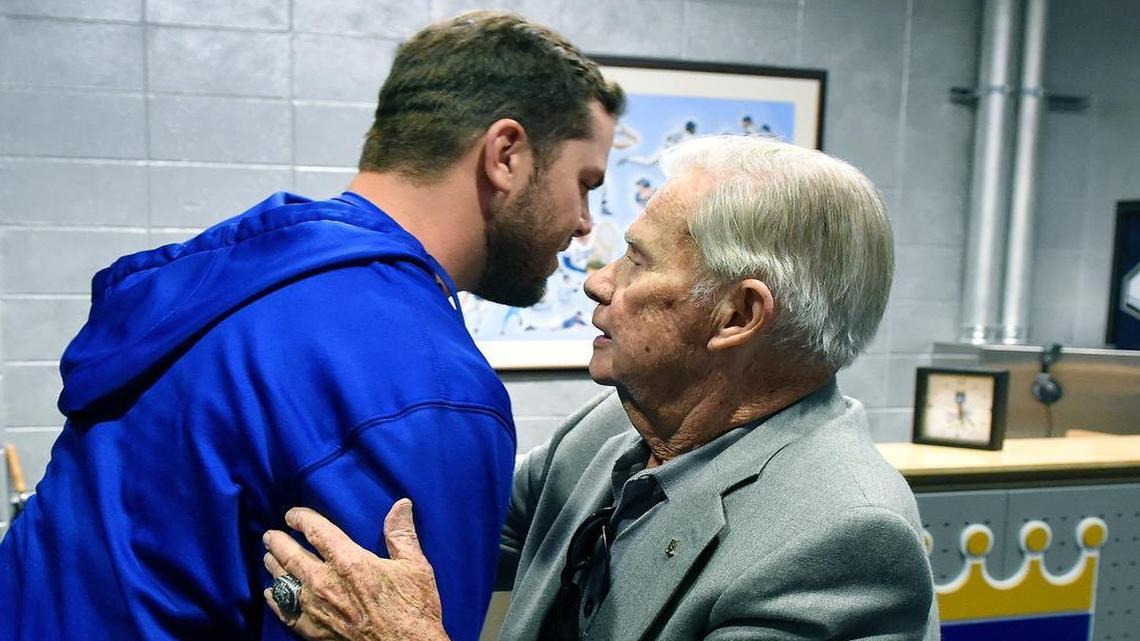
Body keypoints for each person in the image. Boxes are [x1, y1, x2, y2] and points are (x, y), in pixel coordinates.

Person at [0, 11, 623, 641]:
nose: (584, 223)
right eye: (585, 183)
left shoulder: (232, 282)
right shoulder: (421, 382)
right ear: (506, 156)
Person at [261, 135, 940, 641]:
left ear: (737, 315)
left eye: (638, 260)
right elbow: (443, 529)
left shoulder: (843, 540)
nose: (598, 281)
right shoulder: (609, 432)